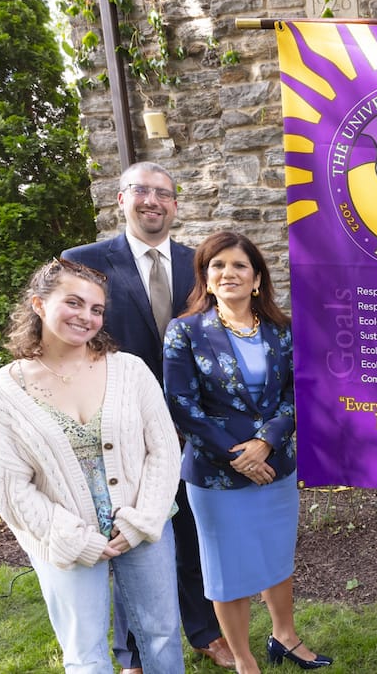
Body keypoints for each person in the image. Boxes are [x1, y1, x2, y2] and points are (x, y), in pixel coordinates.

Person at [63, 161, 233, 672]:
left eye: (164, 194)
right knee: (127, 533)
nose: (152, 201)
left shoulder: (196, 262)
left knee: (190, 532)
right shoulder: (85, 261)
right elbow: (72, 336)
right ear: (122, 199)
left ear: (176, 205)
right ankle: (133, 649)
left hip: (188, 425)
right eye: (142, 191)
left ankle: (204, 630)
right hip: (117, 424)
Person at [0, 258, 184, 674]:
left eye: (96, 309)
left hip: (142, 529)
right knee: (85, 653)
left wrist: (141, 520)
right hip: (65, 540)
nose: (86, 317)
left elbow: (163, 450)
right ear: (38, 304)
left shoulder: (131, 371)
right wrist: (71, 537)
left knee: (161, 636)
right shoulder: (1, 390)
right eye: (74, 303)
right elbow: (6, 484)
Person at [163, 231, 332, 673]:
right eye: (217, 266)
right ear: (205, 277)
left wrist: (265, 443)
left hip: (275, 466)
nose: (228, 273)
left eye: (238, 265)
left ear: (256, 278)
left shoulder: (283, 329)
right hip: (216, 475)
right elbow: (181, 404)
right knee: (227, 571)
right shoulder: (185, 331)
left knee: (277, 555)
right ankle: (244, 661)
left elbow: (300, 392)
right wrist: (238, 455)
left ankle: (285, 638)